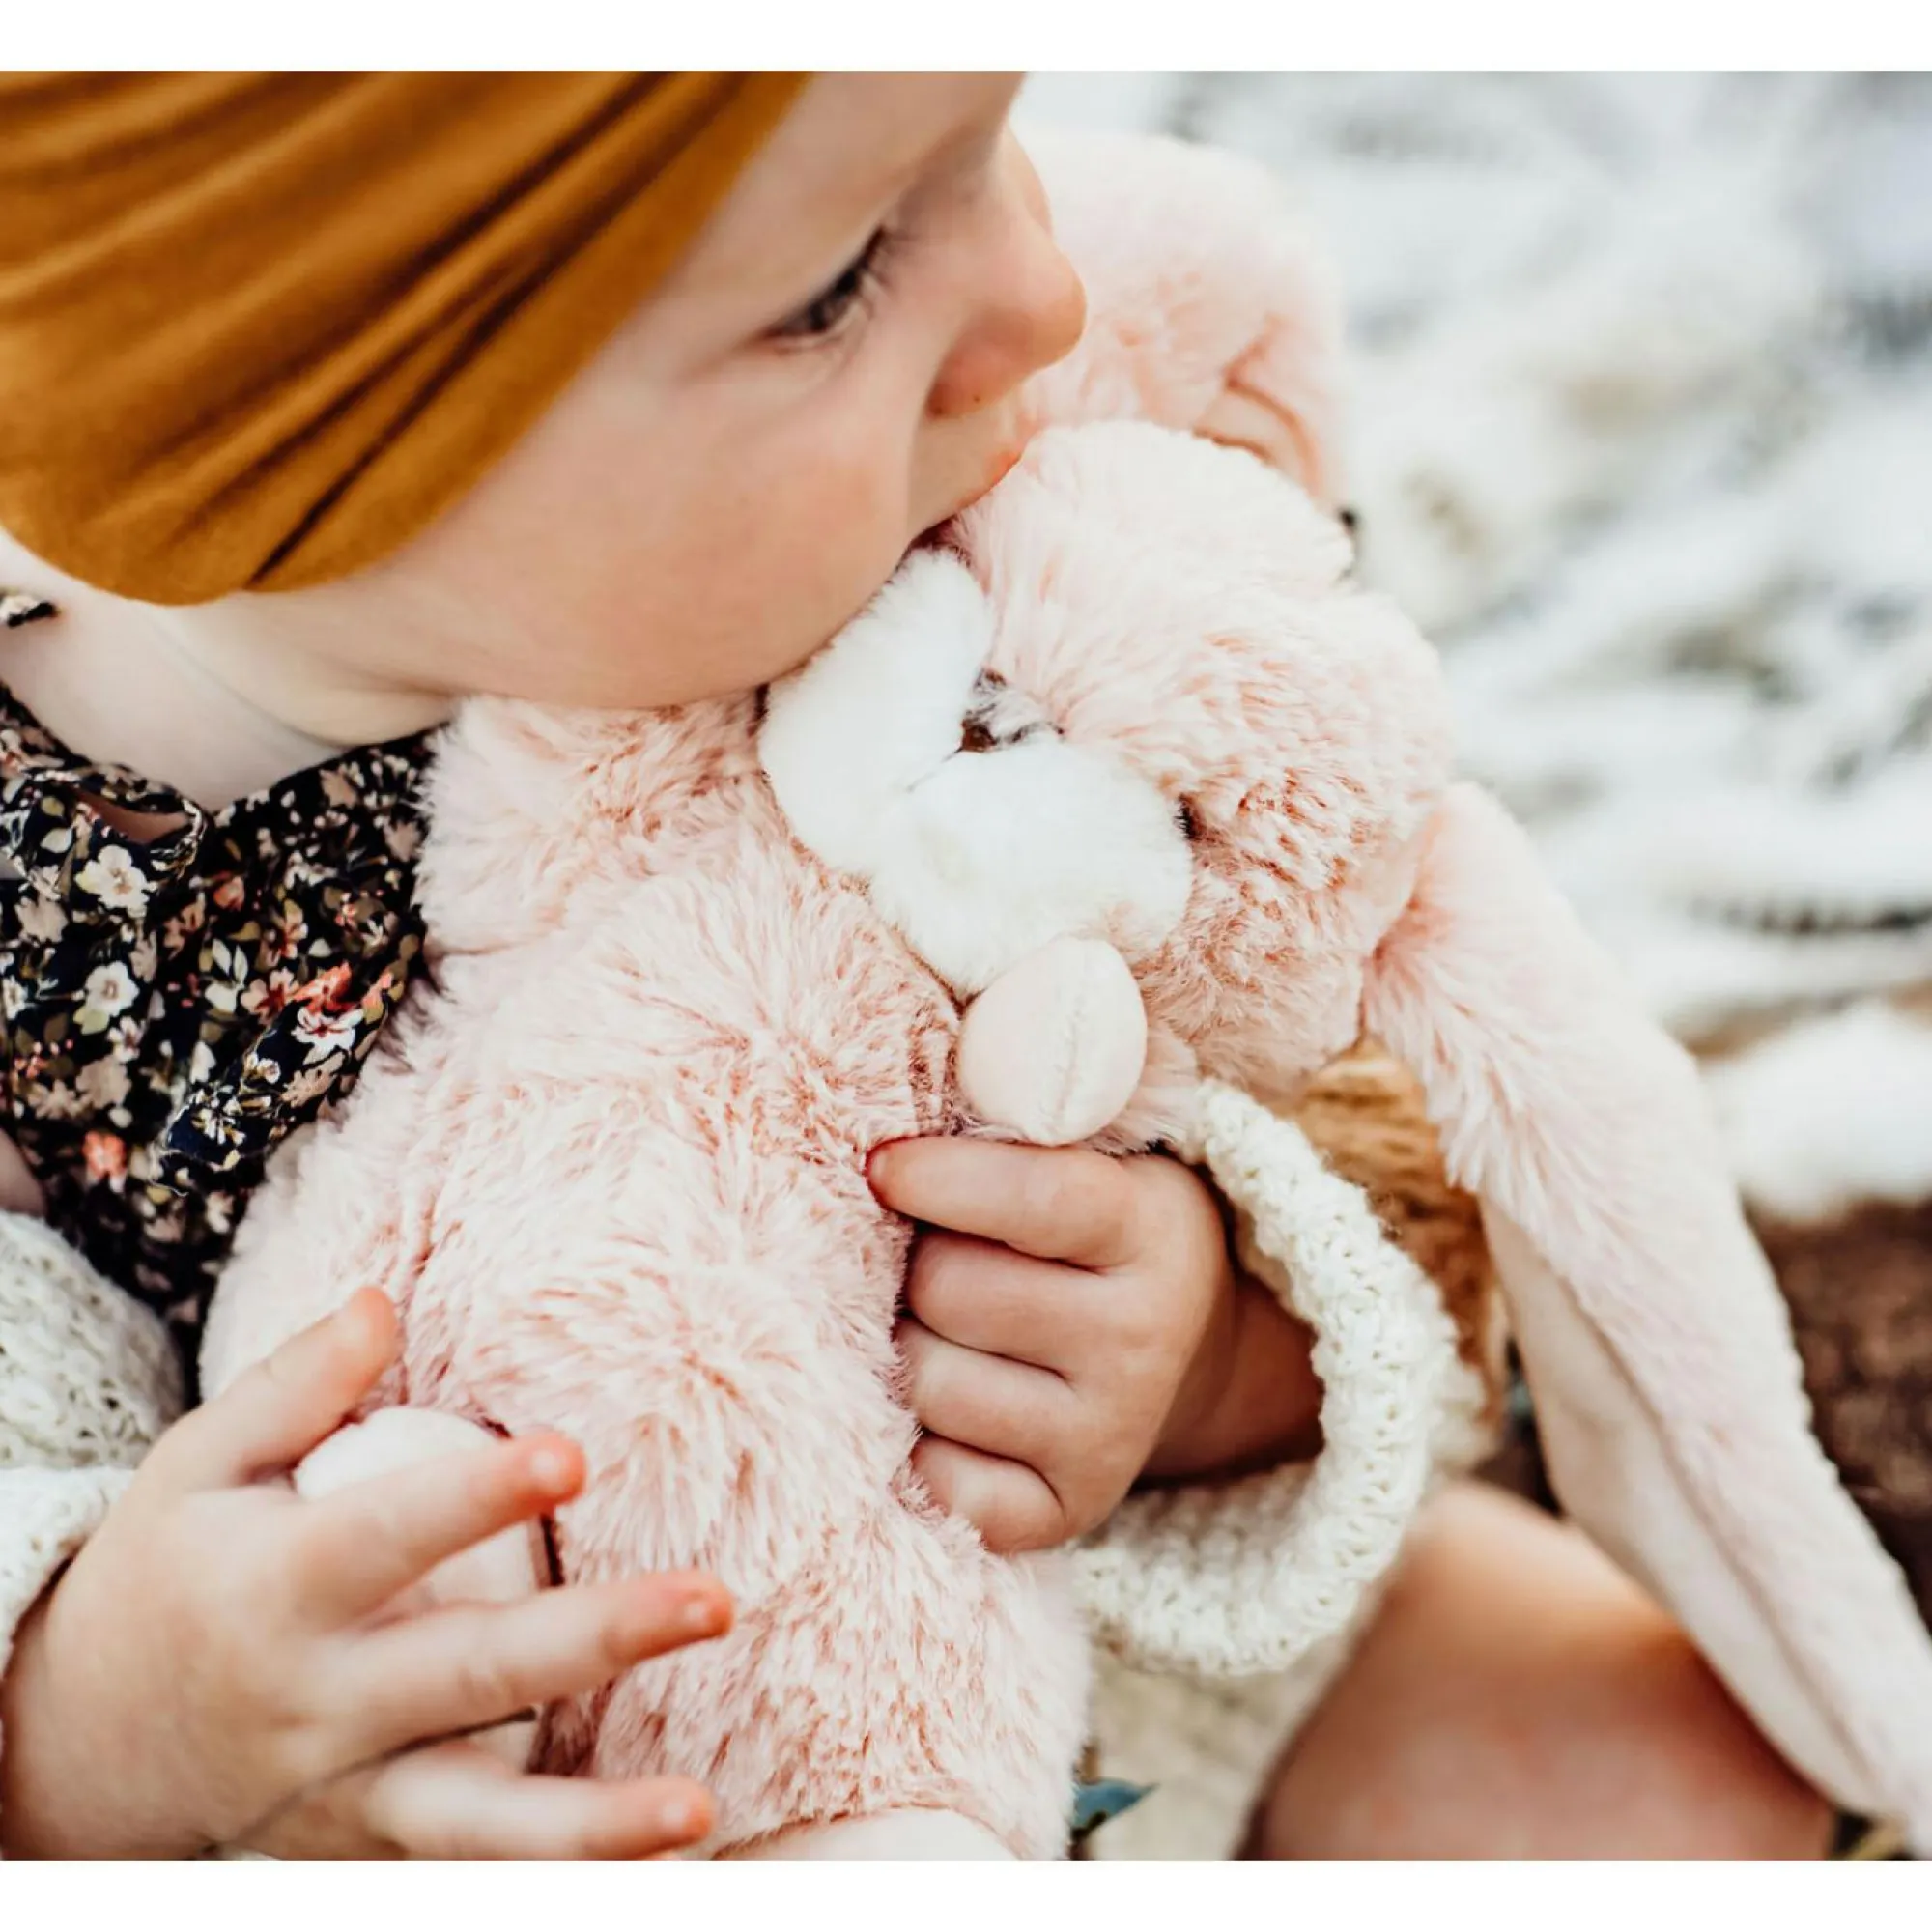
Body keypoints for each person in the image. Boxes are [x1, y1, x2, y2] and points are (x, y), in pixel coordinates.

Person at [0, 71, 1833, 1861]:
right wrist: (102, 1727)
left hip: (995, 1630)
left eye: (986, 136)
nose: (1037, 295)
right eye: (833, 286)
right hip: (456, 1779)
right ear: (317, 429)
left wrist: (1209, 1356)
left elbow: (1379, 1113)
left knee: (1651, 1772)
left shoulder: (986, 526)